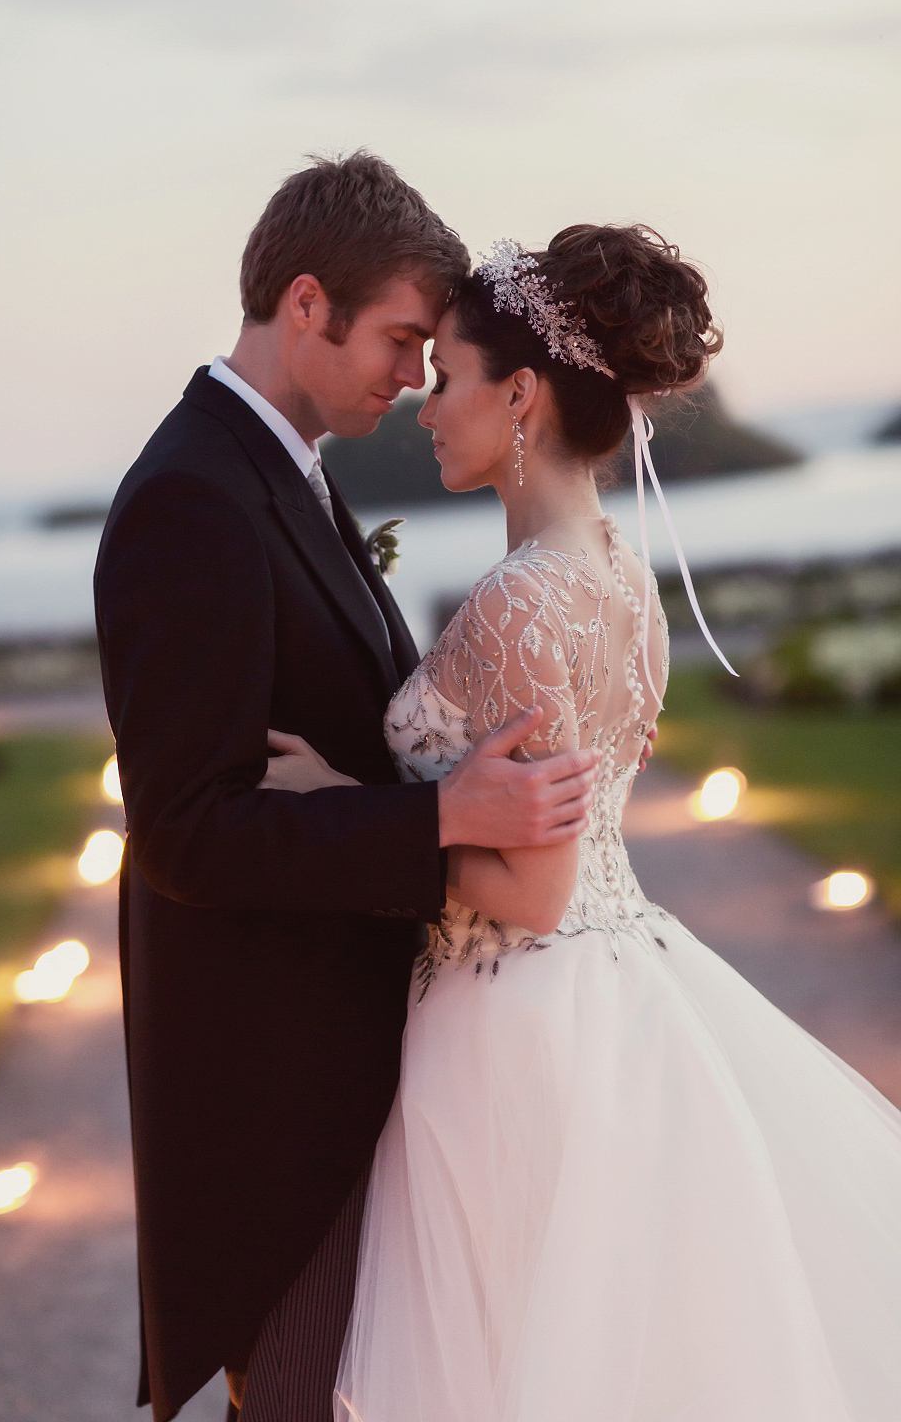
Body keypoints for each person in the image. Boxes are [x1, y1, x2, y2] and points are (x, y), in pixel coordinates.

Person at [272, 225, 901, 1421]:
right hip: (625, 982)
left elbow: (532, 888)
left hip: (512, 1020)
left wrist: (341, 808)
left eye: (446, 377)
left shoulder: (518, 603)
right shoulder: (617, 571)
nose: (424, 402)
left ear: (521, 394)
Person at [93, 154, 601, 1422]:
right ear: (306, 303)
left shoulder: (290, 474)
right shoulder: (190, 500)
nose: (414, 377)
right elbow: (182, 833)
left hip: (359, 1061)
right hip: (276, 1095)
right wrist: (441, 819)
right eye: (401, 340)